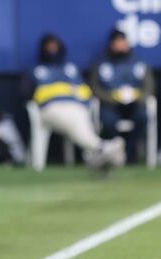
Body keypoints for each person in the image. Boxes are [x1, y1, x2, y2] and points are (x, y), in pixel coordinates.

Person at [25, 34, 125, 169]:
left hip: (75, 106)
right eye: (49, 46)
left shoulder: (70, 68)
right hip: (51, 108)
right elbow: (26, 93)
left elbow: (85, 89)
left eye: (54, 46)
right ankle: (101, 147)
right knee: (74, 121)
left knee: (79, 119)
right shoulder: (35, 70)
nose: (52, 49)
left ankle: (99, 151)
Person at [90, 29, 155, 163]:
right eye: (117, 42)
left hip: (134, 104)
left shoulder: (139, 62)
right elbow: (95, 87)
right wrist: (111, 98)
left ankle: (129, 153)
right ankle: (114, 153)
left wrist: (138, 97)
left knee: (143, 117)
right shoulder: (101, 63)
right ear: (111, 44)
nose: (120, 45)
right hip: (111, 104)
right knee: (108, 121)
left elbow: (149, 86)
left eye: (122, 42)